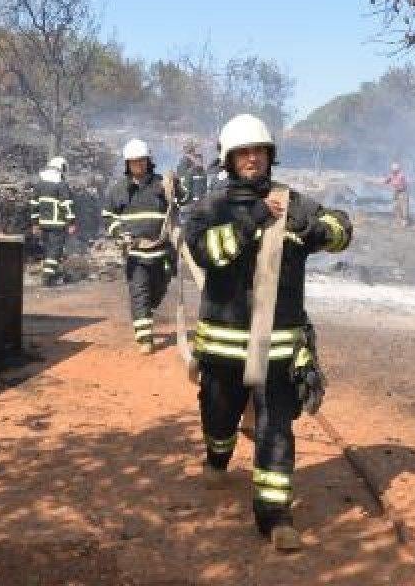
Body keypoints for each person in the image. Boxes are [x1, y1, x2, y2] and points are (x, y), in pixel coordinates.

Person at [183, 114, 353, 552]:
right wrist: (255, 220)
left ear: (270, 155)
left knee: (276, 430)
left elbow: (342, 229)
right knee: (218, 418)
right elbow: (206, 252)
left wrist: (318, 229)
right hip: (223, 348)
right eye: (243, 152)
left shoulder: (292, 204)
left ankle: (275, 518)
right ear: (229, 159)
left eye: (258, 151)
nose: (252, 158)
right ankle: (218, 456)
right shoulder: (210, 208)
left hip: (279, 350)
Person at [102, 139, 174, 354]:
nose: (139, 165)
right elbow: (108, 216)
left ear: (148, 161)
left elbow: (183, 199)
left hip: (161, 252)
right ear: (128, 164)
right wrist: (119, 233)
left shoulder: (161, 184)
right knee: (139, 292)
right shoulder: (119, 190)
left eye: (142, 161)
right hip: (135, 253)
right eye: (134, 162)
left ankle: (146, 312)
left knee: (157, 292)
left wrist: (175, 186)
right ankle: (145, 338)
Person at [28, 156, 76, 287]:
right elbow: (67, 205)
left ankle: (52, 274)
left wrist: (35, 223)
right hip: (57, 224)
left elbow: (34, 205)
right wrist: (71, 222)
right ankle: (48, 277)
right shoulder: (61, 185)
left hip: (43, 224)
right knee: (55, 251)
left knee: (48, 250)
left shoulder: (40, 184)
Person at [176, 141, 209, 209]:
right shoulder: (185, 162)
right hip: (190, 201)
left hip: (197, 199)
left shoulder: (199, 167)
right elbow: (183, 181)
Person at [384, 161, 409, 228]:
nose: (393, 171)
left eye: (395, 170)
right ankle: (398, 221)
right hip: (396, 193)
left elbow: (404, 185)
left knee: (404, 207)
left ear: (398, 170)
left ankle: (404, 222)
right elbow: (386, 181)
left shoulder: (401, 176)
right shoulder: (391, 175)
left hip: (402, 193)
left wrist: (396, 186)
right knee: (396, 207)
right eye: (393, 170)